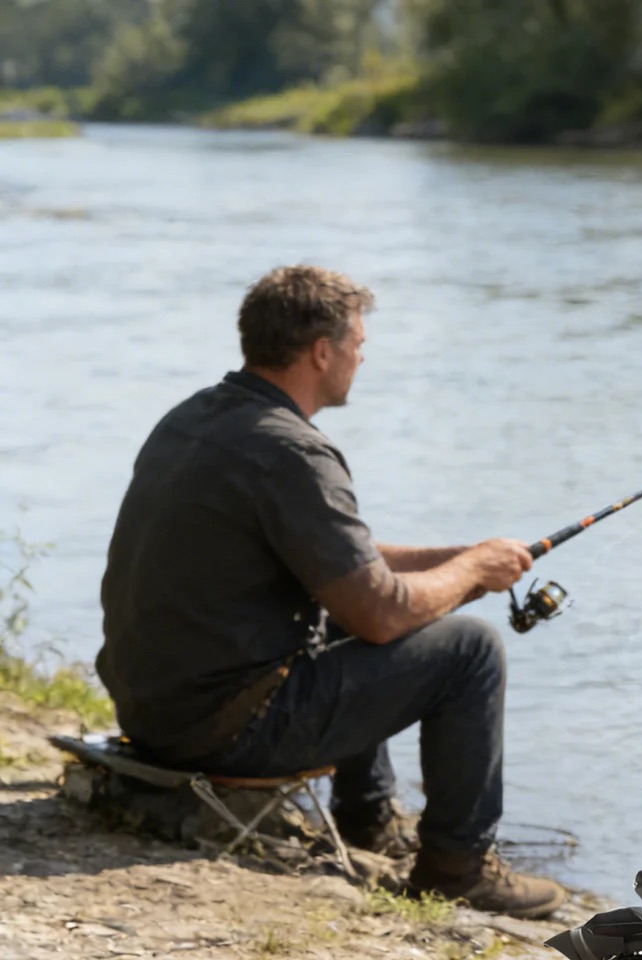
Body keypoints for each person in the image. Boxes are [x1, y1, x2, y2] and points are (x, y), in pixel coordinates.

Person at [96, 265, 566, 918]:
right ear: (322, 352)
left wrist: (465, 560)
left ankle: (367, 823)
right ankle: (456, 867)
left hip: (150, 713)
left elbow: (345, 563)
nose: (362, 358)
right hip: (219, 731)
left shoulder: (195, 417)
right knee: (471, 650)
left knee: (341, 611)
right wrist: (469, 575)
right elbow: (380, 613)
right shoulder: (294, 454)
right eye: (358, 344)